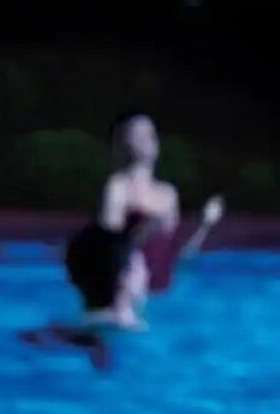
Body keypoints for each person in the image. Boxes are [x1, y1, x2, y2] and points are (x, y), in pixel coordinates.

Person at [65, 110, 225, 330]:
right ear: (123, 143)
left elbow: (176, 260)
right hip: (117, 300)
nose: (146, 138)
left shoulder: (168, 195)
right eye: (137, 133)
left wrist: (205, 225)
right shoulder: (117, 188)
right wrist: (146, 231)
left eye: (150, 133)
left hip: (148, 299)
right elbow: (108, 251)